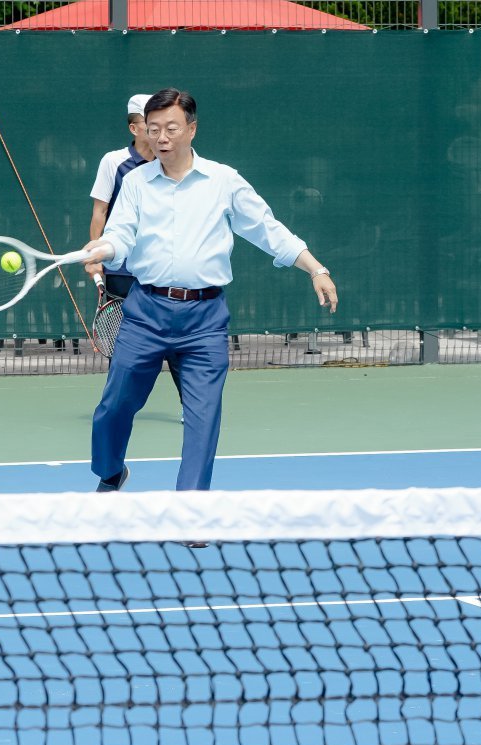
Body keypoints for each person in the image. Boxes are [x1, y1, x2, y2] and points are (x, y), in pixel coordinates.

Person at [83, 89, 337, 492]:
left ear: (191, 129)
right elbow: (120, 234)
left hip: (204, 321)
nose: (162, 138)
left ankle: (191, 508)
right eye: (154, 130)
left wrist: (314, 268)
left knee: (203, 416)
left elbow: (267, 229)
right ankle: (110, 470)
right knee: (114, 408)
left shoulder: (224, 181)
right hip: (145, 312)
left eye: (171, 128)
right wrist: (106, 247)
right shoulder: (134, 182)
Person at [89, 93, 183, 410]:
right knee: (122, 343)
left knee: (176, 343)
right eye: (151, 125)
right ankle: (115, 407)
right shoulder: (113, 163)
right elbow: (100, 212)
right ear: (134, 127)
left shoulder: (172, 164)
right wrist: (96, 258)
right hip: (121, 270)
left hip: (161, 270)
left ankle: (190, 404)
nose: (160, 133)